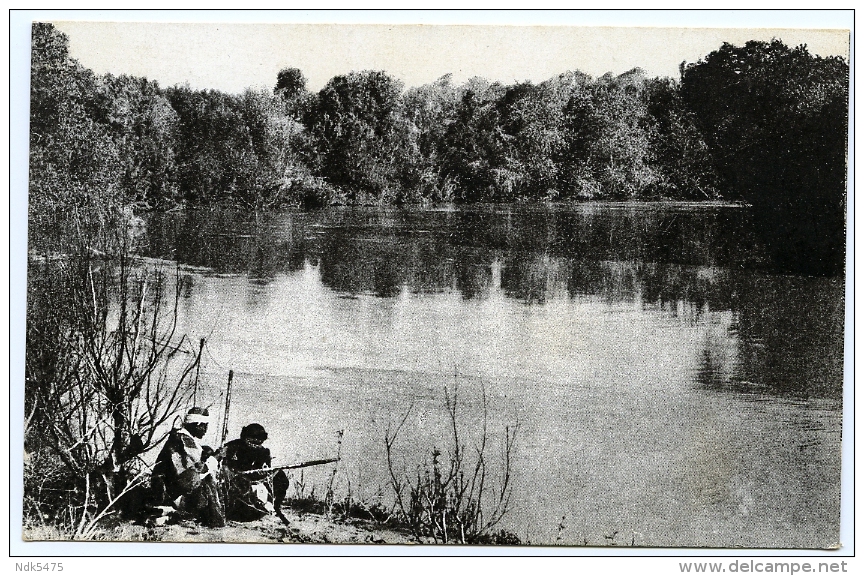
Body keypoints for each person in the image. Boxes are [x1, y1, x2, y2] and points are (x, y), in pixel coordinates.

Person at [150, 407, 225, 527]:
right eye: (204, 426)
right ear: (198, 425)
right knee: (207, 484)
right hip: (171, 492)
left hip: (169, 490)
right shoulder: (184, 440)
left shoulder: (180, 438)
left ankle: (174, 514)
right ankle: (180, 514)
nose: (205, 430)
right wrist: (215, 458)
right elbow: (197, 471)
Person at [221, 423, 289, 521]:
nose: (257, 443)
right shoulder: (233, 446)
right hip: (236, 481)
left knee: (280, 477)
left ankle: (276, 506)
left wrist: (264, 472)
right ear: (246, 437)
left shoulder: (264, 451)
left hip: (256, 480)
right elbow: (226, 466)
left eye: (260, 441)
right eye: (254, 440)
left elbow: (265, 469)